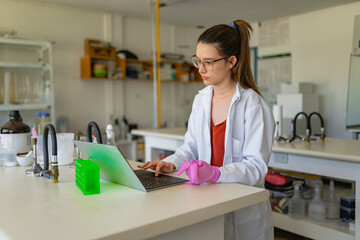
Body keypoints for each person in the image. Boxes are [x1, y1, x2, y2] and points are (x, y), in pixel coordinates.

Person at [138, 19, 275, 240]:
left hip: (241, 208)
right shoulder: (201, 100)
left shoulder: (253, 104)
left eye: (208, 62)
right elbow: (191, 146)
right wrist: (171, 162)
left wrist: (216, 173)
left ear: (231, 61)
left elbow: (257, 167)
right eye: (197, 60)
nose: (200, 69)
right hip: (207, 201)